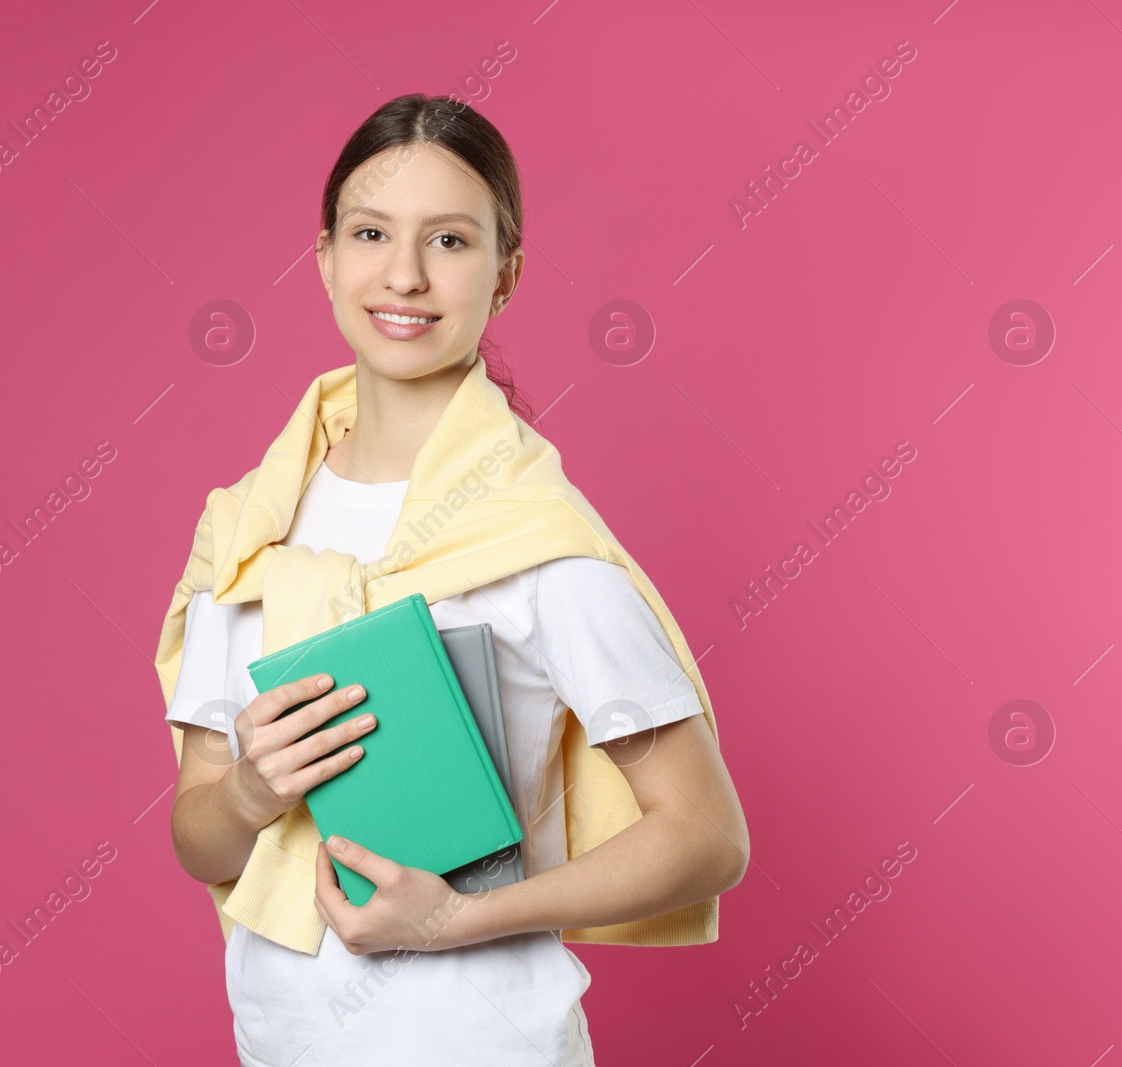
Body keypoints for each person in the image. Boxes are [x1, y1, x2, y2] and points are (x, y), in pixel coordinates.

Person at [160, 93, 749, 1067]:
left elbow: (705, 835)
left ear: (506, 273)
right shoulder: (249, 530)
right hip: (281, 1040)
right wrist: (251, 793)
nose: (403, 273)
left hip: (487, 1044)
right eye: (371, 232)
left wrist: (458, 917)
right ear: (324, 258)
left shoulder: (534, 537)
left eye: (449, 240)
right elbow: (200, 839)